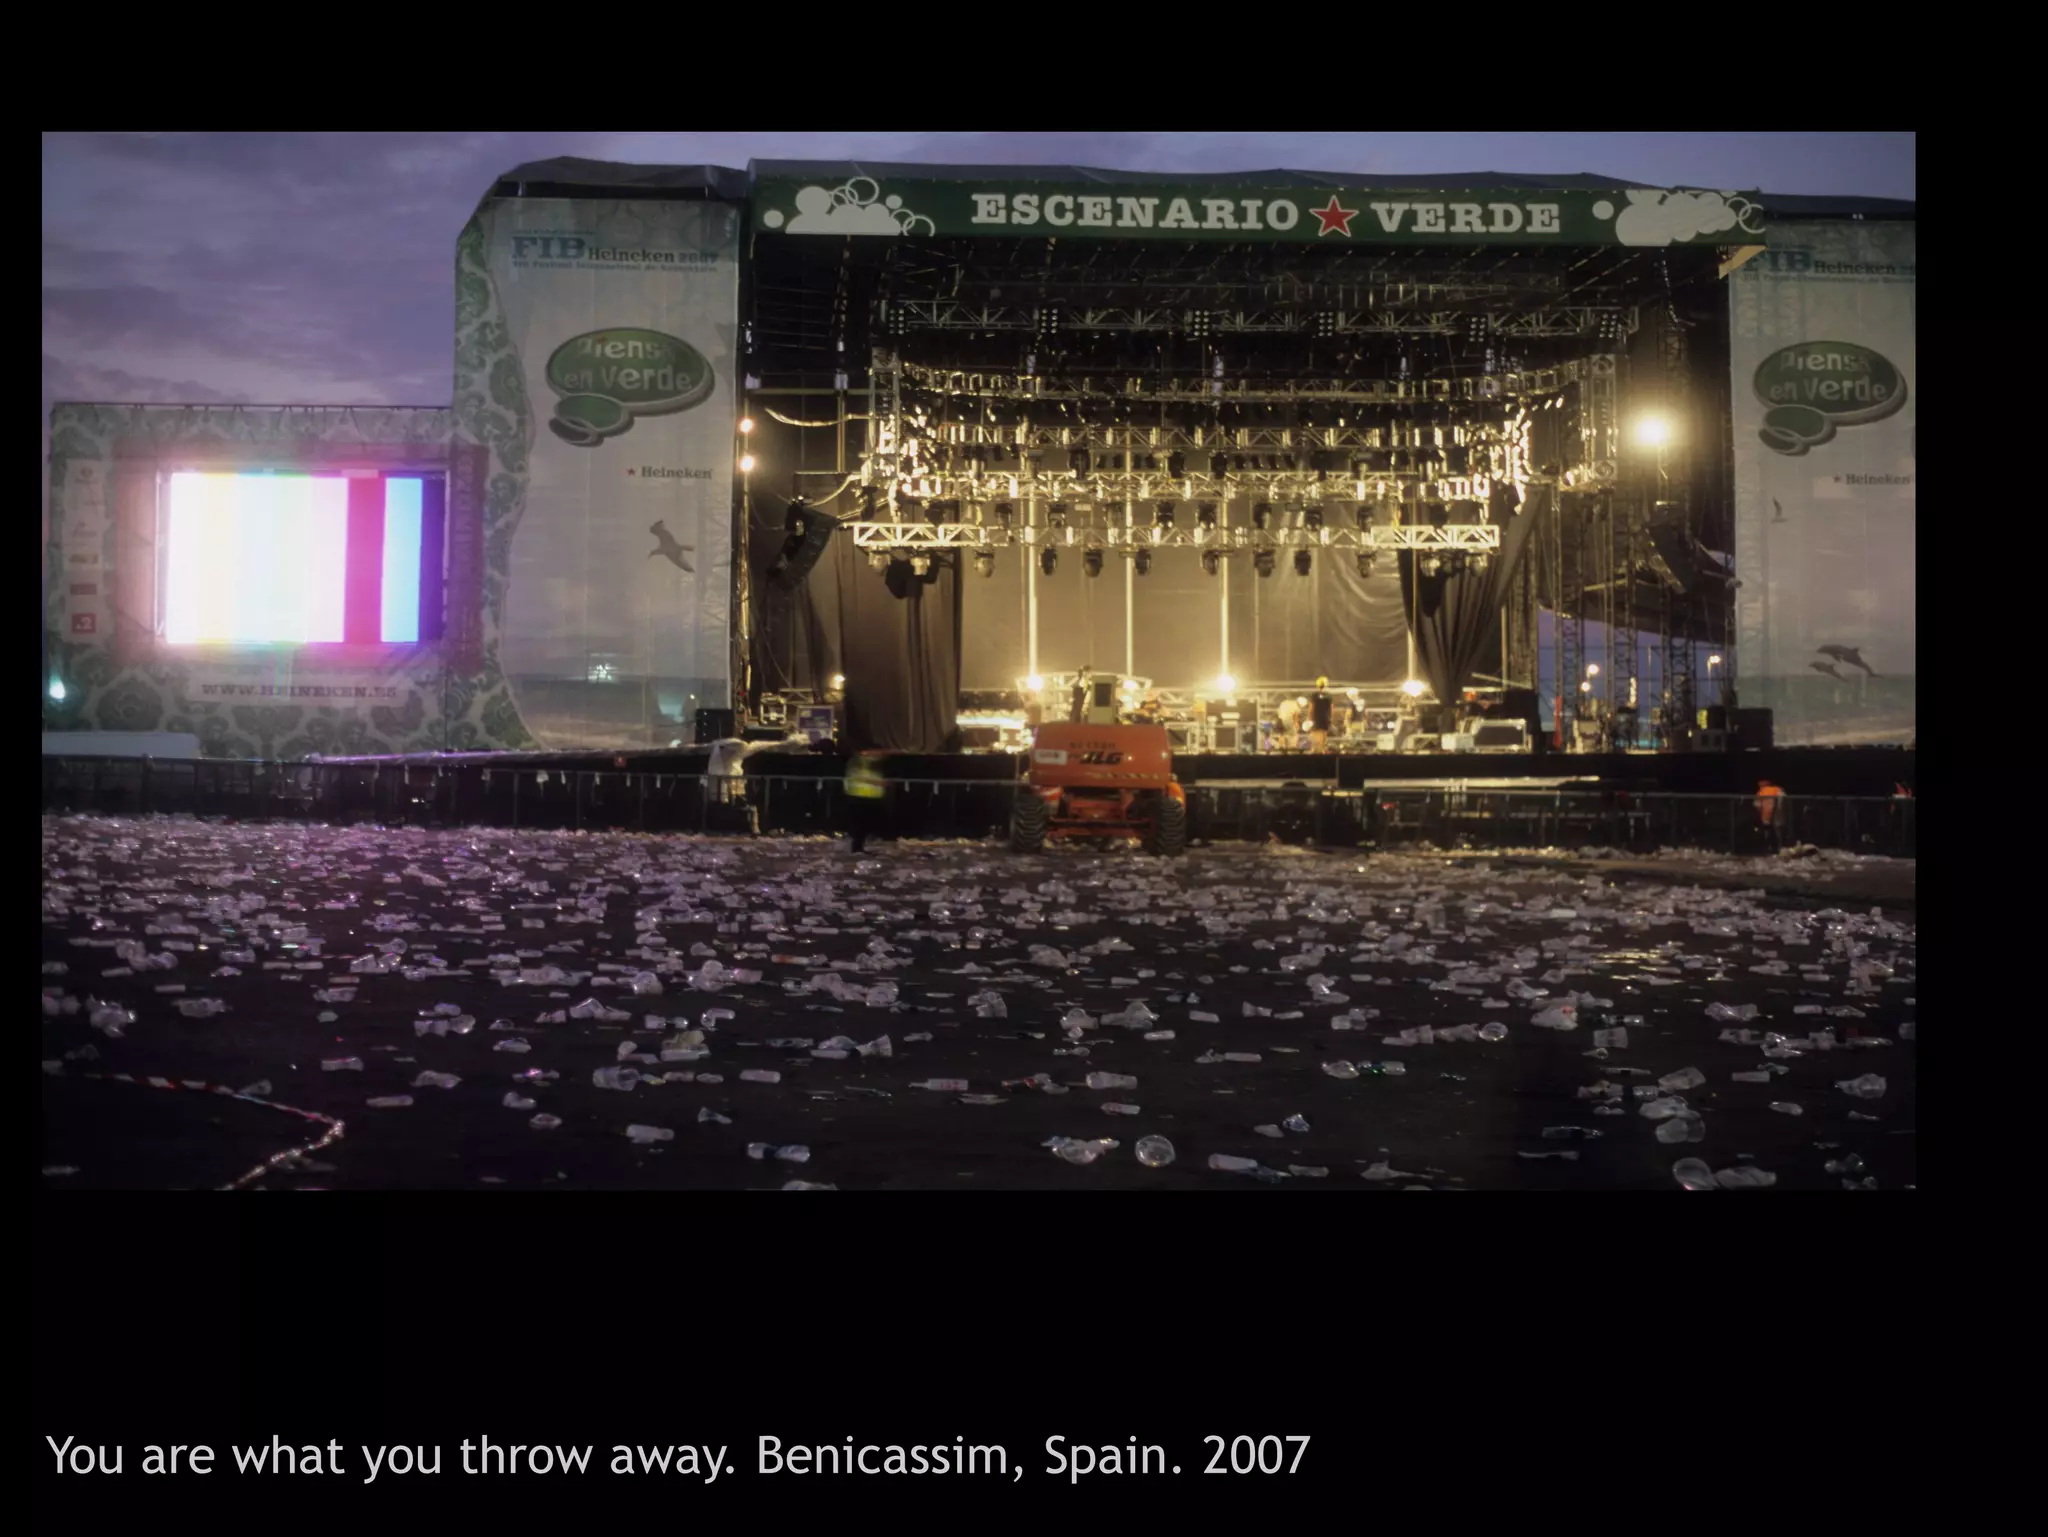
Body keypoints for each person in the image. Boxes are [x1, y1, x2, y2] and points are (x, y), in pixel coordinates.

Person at [844, 750, 888, 853]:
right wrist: (878, 782)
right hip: (858, 796)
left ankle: (859, 846)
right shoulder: (858, 762)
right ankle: (857, 847)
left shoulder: (871, 762)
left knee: (865, 824)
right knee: (860, 824)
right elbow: (857, 776)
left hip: (869, 797)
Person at [1754, 778, 1785, 848]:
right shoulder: (1777, 789)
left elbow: (1756, 804)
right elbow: (1782, 797)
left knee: (1767, 831)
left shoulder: (1762, 791)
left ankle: (1767, 846)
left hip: (1767, 815)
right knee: (1777, 831)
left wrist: (1760, 811)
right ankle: (1779, 847)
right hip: (1775, 814)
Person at [1310, 677, 1333, 753]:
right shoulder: (1329, 696)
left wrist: (1309, 718)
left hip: (1316, 719)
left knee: (1315, 736)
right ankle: (1322, 750)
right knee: (1324, 736)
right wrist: (1331, 718)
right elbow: (1331, 708)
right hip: (1326, 718)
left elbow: (1311, 708)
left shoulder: (1314, 695)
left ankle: (1316, 751)